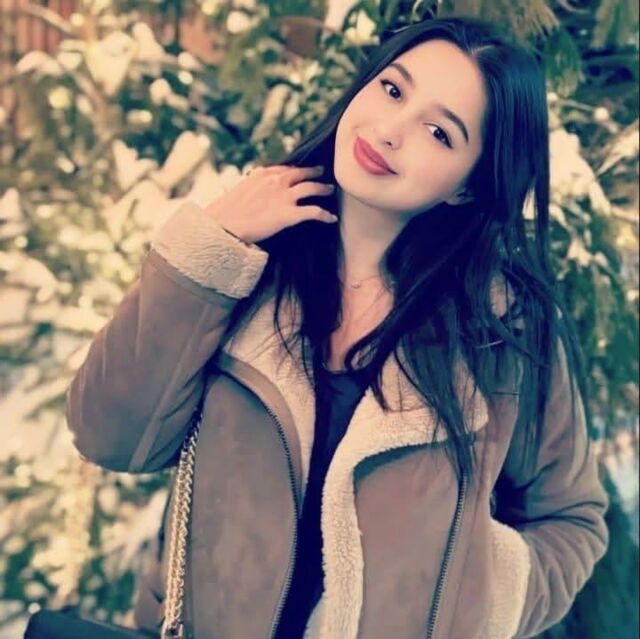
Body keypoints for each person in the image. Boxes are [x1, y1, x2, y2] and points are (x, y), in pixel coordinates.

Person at [65, 15, 610, 639]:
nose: (391, 130)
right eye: (392, 89)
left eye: (438, 131)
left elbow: (572, 517)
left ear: (466, 188)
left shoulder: (499, 331)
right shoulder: (245, 265)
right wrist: (212, 244)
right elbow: (110, 436)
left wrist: (476, 601)